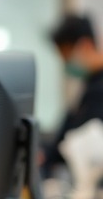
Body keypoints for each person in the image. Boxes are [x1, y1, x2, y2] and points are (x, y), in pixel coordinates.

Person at [42, 11, 103, 176]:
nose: (66, 65)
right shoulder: (89, 85)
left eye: (68, 57)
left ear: (85, 46)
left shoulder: (98, 91)